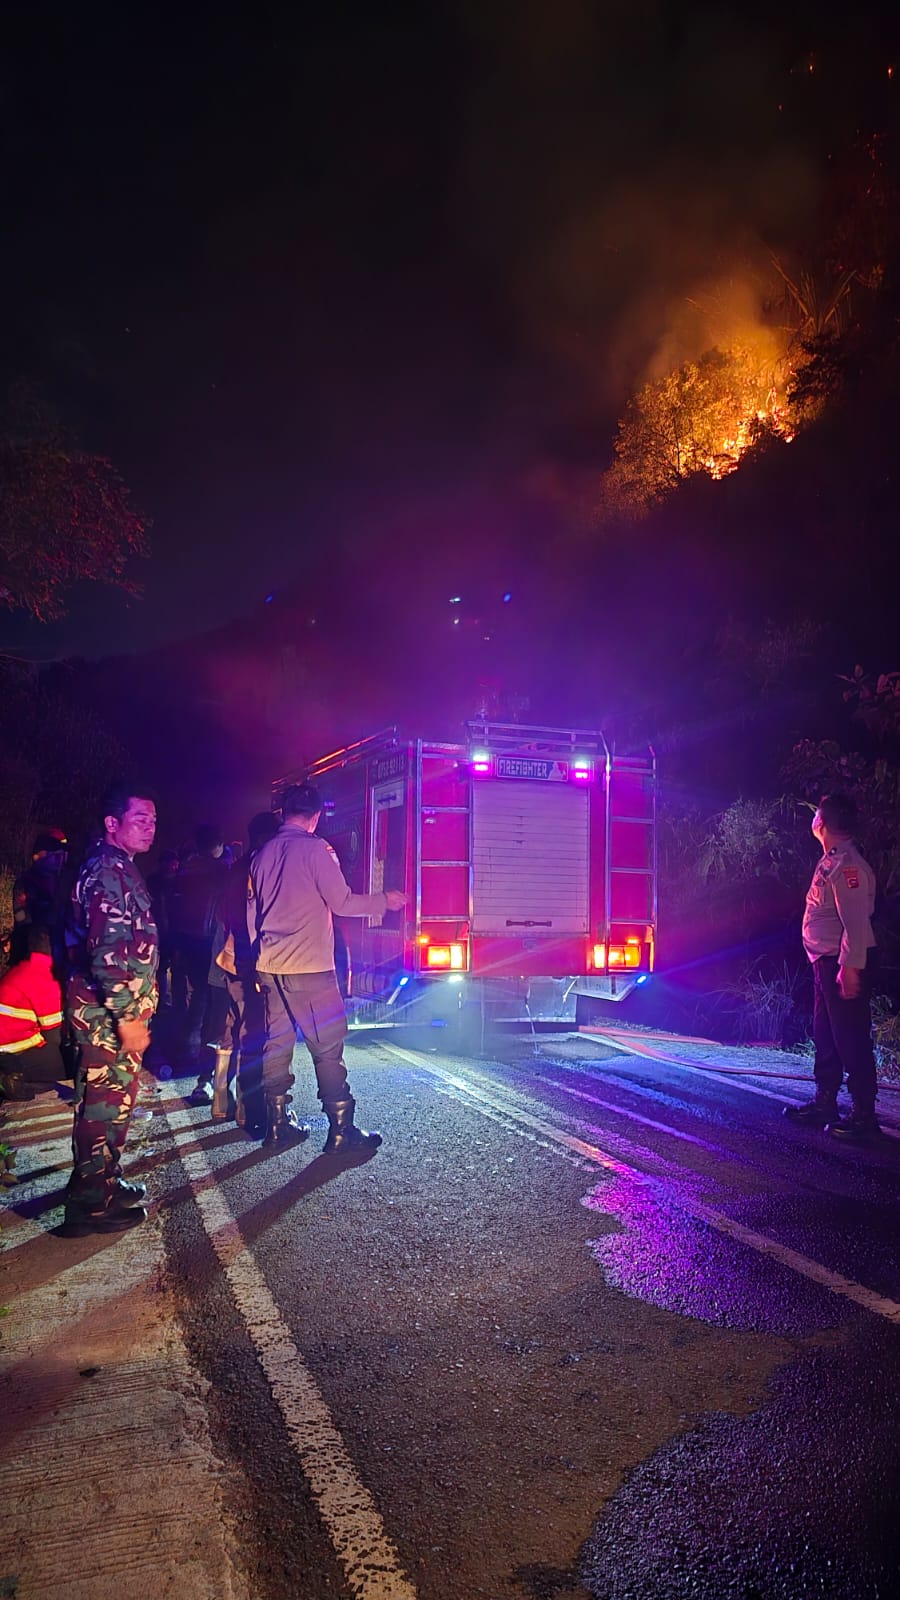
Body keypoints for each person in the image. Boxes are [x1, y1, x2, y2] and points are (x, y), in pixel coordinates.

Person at [248, 782, 406, 1150]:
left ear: (283, 815)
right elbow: (342, 902)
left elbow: (252, 916)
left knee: (277, 1043)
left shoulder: (262, 854)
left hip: (270, 966)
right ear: (315, 817)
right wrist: (384, 900)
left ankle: (277, 1125)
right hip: (309, 968)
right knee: (328, 1048)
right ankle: (341, 1130)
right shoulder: (316, 850)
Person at [62, 784, 159, 1236]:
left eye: (153, 820)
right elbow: (106, 953)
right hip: (104, 1015)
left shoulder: (121, 868)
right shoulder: (106, 872)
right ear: (112, 823)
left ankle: (105, 1181)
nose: (151, 827)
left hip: (116, 1011)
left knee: (116, 1103)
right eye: (140, 819)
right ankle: (88, 1206)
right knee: (101, 1106)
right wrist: (126, 1016)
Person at [784, 793, 880, 1142]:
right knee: (826, 1034)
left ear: (822, 823)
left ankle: (864, 1114)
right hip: (824, 962)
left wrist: (850, 967)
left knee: (850, 1035)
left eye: (816, 814)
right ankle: (826, 1101)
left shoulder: (848, 865)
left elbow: (855, 922)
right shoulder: (832, 860)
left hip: (841, 964)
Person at [201, 811, 281, 1126]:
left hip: (229, 960)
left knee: (231, 1027)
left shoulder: (235, 869)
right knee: (254, 1032)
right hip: (251, 963)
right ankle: (251, 1109)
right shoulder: (260, 868)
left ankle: (221, 1096)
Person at [170, 824, 229, 1069]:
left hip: (186, 938)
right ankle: (193, 1047)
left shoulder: (186, 870)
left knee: (195, 995)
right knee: (207, 997)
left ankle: (186, 1044)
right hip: (208, 939)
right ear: (216, 846)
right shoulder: (219, 871)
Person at [0, 924, 67, 1100]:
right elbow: (54, 1036)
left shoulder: (23, 969)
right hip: (16, 1052)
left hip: (8, 1048)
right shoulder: (42, 975)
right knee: (55, 1061)